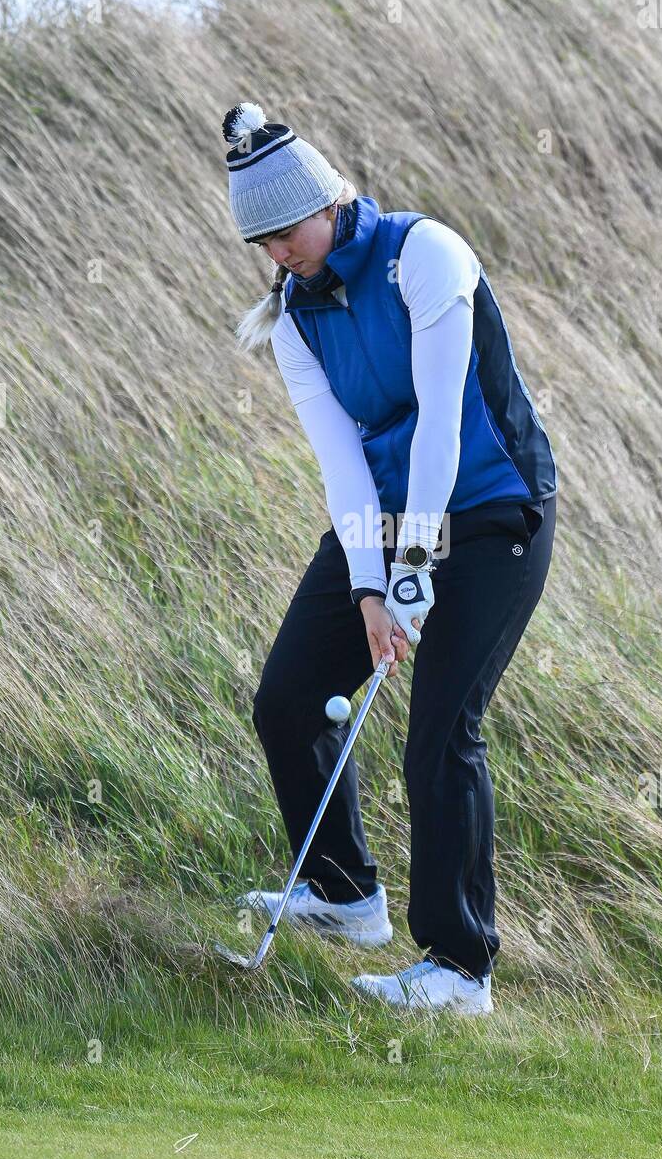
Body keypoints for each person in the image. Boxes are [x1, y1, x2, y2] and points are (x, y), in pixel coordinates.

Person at [223, 101, 557, 1015]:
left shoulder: (428, 257)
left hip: (493, 513)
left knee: (441, 733)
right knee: (289, 698)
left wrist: (411, 573)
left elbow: (442, 429)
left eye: (286, 230)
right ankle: (343, 896)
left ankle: (459, 968)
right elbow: (342, 460)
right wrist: (373, 584)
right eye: (261, 241)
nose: (278, 253)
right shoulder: (293, 317)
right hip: (382, 514)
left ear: (330, 201)